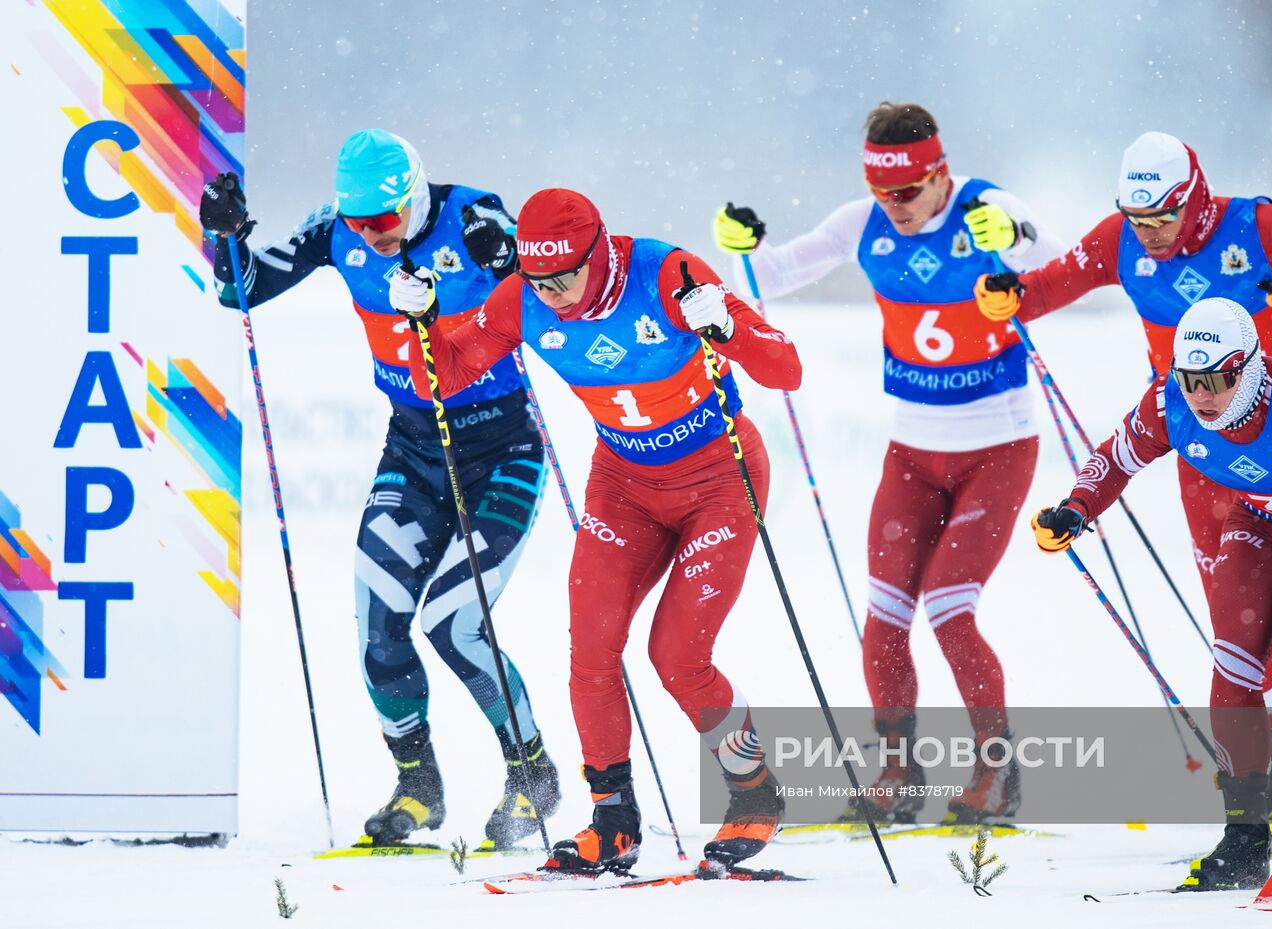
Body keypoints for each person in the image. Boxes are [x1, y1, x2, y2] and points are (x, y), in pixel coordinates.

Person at [973, 131, 1272, 830]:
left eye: (1164, 216)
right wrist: (1005, 293)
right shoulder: (1123, 242)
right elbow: (1044, 290)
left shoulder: (1256, 227)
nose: (1152, 234)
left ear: (1193, 196)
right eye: (1138, 219)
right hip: (1202, 452)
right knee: (1238, 641)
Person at [392, 187, 803, 873]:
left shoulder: (665, 275)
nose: (551, 296)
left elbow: (786, 367)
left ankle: (755, 791)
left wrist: (728, 329)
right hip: (625, 484)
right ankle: (613, 819)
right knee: (592, 647)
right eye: (539, 280)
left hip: (719, 479)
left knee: (678, 655)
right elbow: (445, 376)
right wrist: (423, 322)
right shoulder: (521, 296)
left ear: (598, 252)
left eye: (565, 279)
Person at [200, 129, 559, 847]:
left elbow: (549, 287)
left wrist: (511, 261)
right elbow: (236, 291)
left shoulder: (473, 216)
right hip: (415, 449)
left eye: (386, 221)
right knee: (379, 623)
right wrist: (226, 236)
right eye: (360, 223)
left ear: (415, 193)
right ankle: (419, 785)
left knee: (455, 623)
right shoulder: (339, 234)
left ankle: (534, 776)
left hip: (503, 448)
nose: (374, 237)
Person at [713, 101, 1064, 826]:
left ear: (939, 174)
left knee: (950, 608)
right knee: (884, 615)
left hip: (996, 446)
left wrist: (1018, 239)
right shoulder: (862, 221)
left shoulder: (987, 207)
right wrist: (740, 243)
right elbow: (768, 277)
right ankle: (899, 775)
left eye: (907, 192)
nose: (895, 207)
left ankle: (998, 774)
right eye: (882, 192)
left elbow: (1057, 264)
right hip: (913, 450)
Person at [1032, 297, 1272, 890]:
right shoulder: (1167, 402)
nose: (1201, 395)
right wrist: (1074, 510)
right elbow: (1114, 459)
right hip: (1262, 527)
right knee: (1234, 666)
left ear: (1249, 367)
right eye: (1190, 379)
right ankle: (1246, 839)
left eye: (1218, 380)